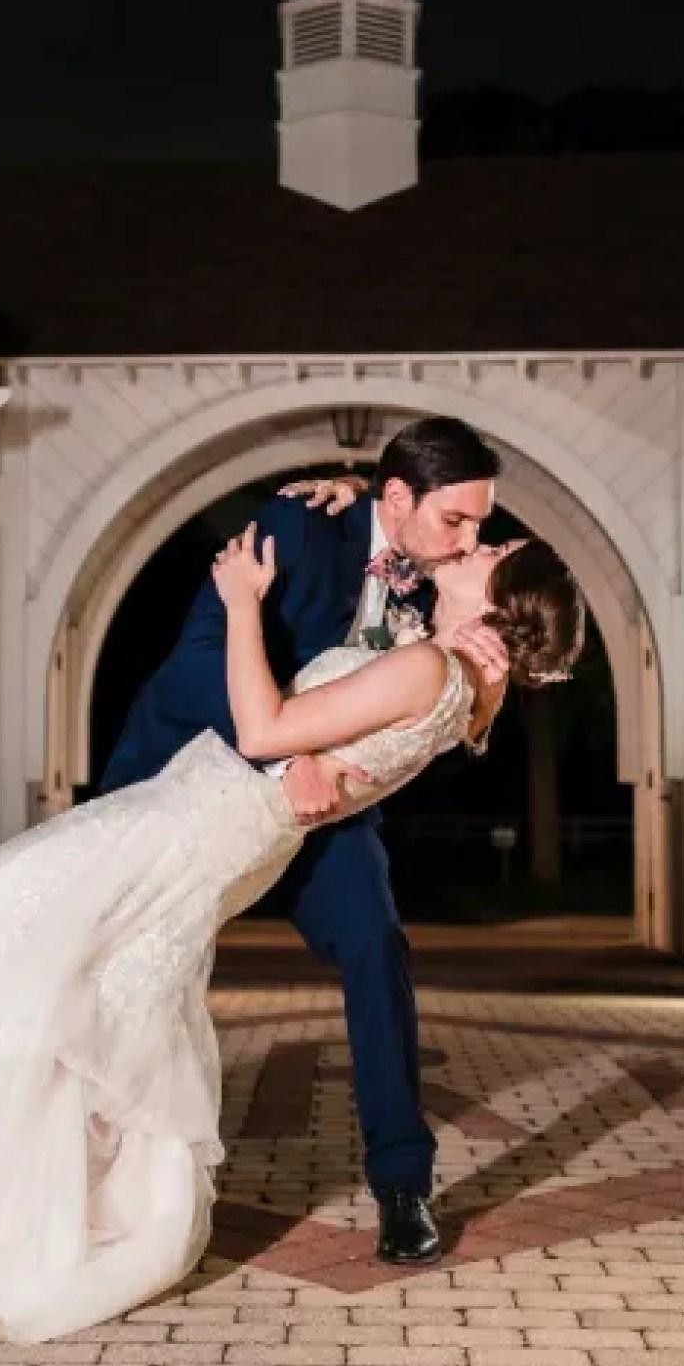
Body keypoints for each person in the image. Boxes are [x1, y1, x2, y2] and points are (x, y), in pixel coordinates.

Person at [0, 518, 585, 1344]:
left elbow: (262, 730)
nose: (475, 547)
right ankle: (14, 1208)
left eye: (494, 554)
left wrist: (241, 605)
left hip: (200, 819)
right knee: (79, 1000)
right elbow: (377, 719)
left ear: (500, 606)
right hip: (230, 827)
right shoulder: (472, 689)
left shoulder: (427, 666)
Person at [103, 418, 508, 1267]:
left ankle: (403, 1186)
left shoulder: (432, 578)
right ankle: (99, 1163)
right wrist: (288, 758)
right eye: (458, 521)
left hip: (323, 816)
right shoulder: (295, 525)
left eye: (479, 524)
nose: (471, 540)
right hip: (194, 780)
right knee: (127, 964)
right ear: (397, 499)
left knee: (376, 945)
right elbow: (203, 652)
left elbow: (444, 708)